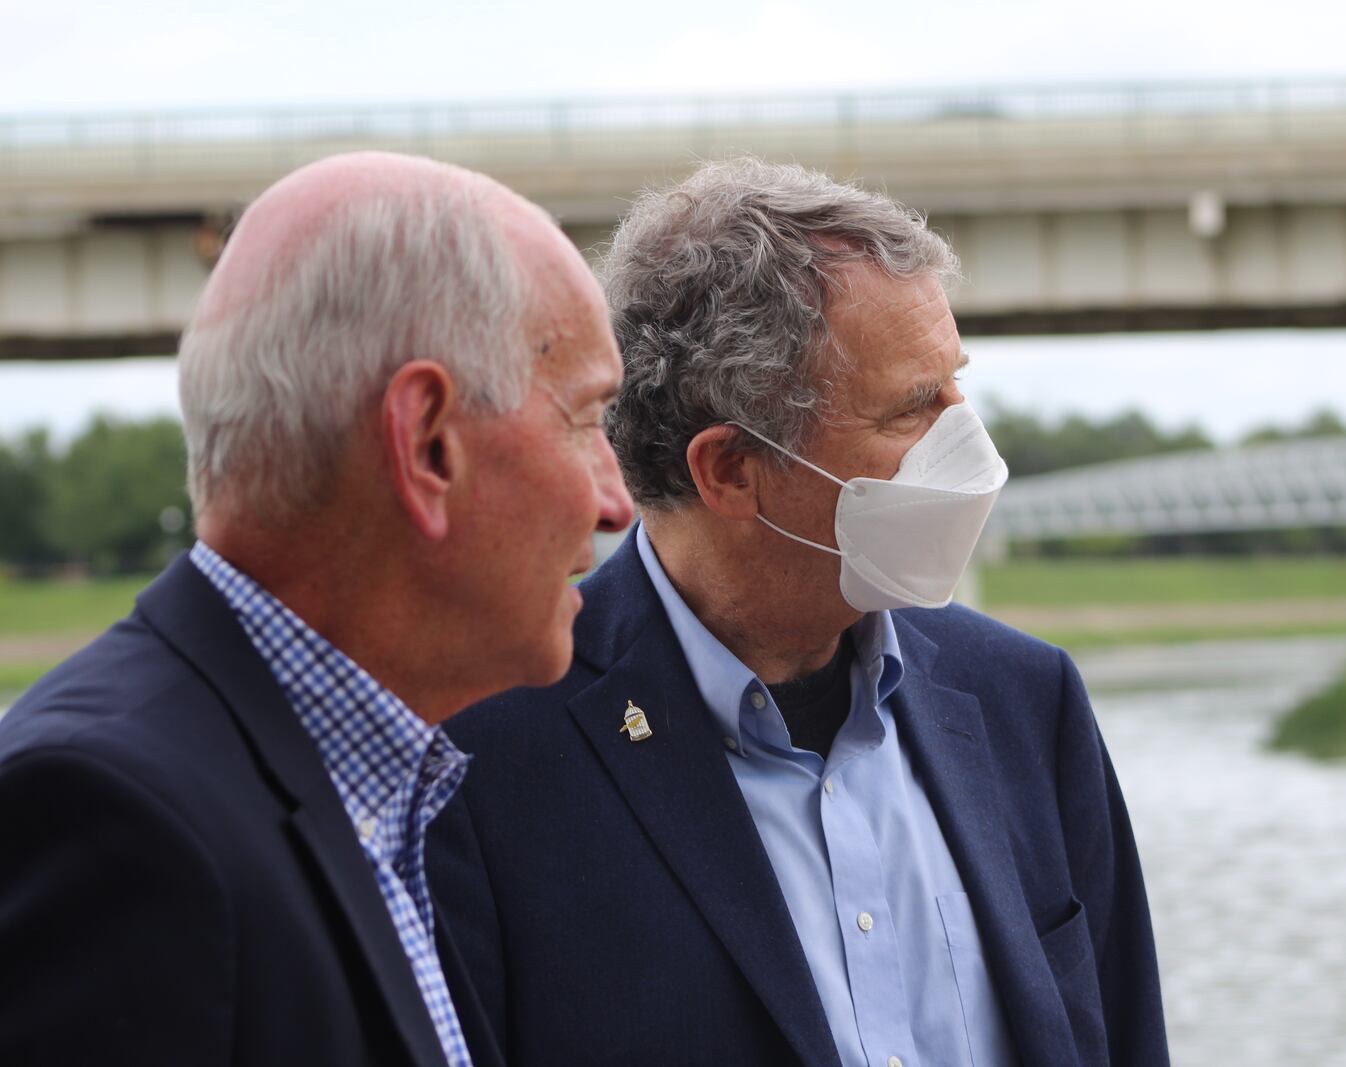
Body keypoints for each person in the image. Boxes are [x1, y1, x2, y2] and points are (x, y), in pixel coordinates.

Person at [429, 158, 1168, 1066]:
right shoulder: (480, 753)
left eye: (955, 385)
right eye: (912, 407)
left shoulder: (1025, 700)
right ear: (731, 470)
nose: (965, 439)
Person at [0, 151, 633, 1066]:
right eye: (584, 419)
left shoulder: (358, 784)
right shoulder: (119, 826)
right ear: (427, 444)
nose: (614, 501)